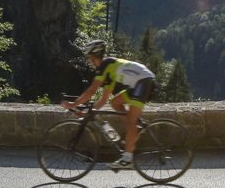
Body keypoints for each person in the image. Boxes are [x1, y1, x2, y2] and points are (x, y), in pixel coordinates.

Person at [61, 40, 157, 170]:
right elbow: (103, 100)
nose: (90, 62)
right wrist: (86, 112)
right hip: (137, 84)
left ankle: (128, 159)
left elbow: (92, 90)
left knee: (131, 124)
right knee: (114, 102)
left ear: (95, 57)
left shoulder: (106, 64)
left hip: (144, 81)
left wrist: (74, 104)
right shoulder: (109, 73)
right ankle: (134, 129)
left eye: (90, 59)